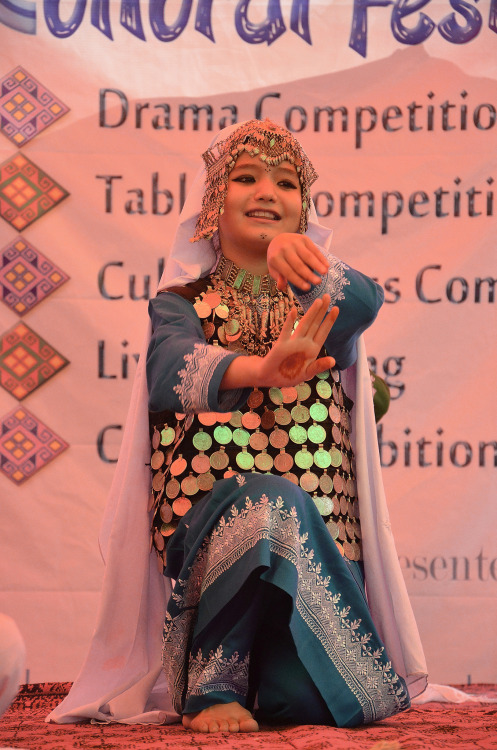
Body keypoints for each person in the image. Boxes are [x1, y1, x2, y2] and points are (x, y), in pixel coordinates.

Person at [47, 120, 427, 732]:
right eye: (245, 178)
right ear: (211, 209)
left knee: (317, 704)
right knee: (268, 499)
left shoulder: (320, 306)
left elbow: (362, 303)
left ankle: (263, 677)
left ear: (304, 209)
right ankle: (210, 680)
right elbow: (172, 370)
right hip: (210, 559)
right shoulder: (180, 304)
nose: (266, 192)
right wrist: (260, 369)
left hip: (314, 567)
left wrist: (298, 263)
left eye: (285, 183)